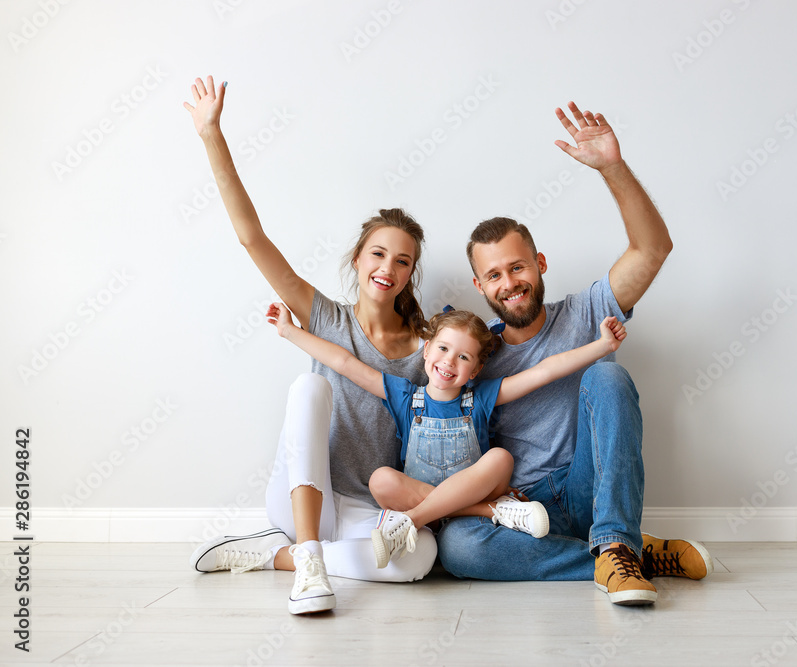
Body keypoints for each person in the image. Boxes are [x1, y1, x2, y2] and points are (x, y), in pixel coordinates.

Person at [434, 102, 714, 606]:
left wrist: (612, 167)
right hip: (526, 508)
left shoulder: (585, 310)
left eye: (517, 267)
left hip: (592, 488)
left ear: (539, 264)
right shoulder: (475, 354)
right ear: (480, 286)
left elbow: (652, 250)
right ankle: (623, 557)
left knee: (606, 376)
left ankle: (612, 539)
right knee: (457, 549)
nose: (509, 283)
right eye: (494, 275)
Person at [182, 76, 437, 615]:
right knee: (308, 385)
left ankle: (286, 557)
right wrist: (212, 136)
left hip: (369, 507)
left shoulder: (425, 347)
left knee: (420, 560)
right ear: (358, 259)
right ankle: (308, 555)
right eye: (378, 254)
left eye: (402, 260)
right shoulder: (323, 316)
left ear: (412, 273)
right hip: (308, 495)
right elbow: (252, 237)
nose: (387, 268)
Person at [266, 302, 629, 569]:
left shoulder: (482, 397)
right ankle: (496, 511)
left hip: (448, 520)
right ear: (427, 351)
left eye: (464, 357)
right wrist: (288, 331)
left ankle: (411, 521)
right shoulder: (405, 396)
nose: (449, 362)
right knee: (381, 479)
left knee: (501, 458)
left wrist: (602, 346)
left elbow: (545, 371)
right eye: (443, 349)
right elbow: (344, 362)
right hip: (448, 510)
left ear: (475, 370)